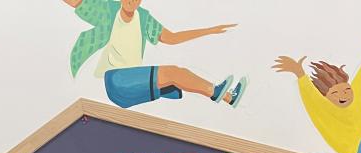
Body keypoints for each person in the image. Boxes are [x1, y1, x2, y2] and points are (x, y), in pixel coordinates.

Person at [63, 0, 246, 109]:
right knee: (173, 73)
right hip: (117, 81)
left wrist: (209, 30)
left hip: (133, 85)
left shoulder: (144, 19)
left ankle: (228, 97)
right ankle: (216, 91)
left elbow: (172, 38)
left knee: (180, 77)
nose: (132, 1)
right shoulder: (107, 10)